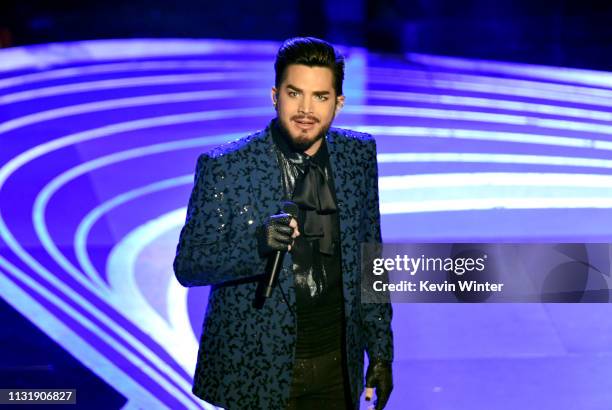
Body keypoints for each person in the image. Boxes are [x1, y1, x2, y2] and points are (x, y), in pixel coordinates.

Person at [174, 37, 393, 410]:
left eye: (320, 97)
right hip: (256, 371)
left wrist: (382, 352)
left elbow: (370, 257)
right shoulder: (226, 167)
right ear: (275, 95)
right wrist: (257, 244)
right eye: (295, 93)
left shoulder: (358, 156)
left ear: (338, 102)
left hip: (337, 369)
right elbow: (190, 265)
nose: (306, 109)